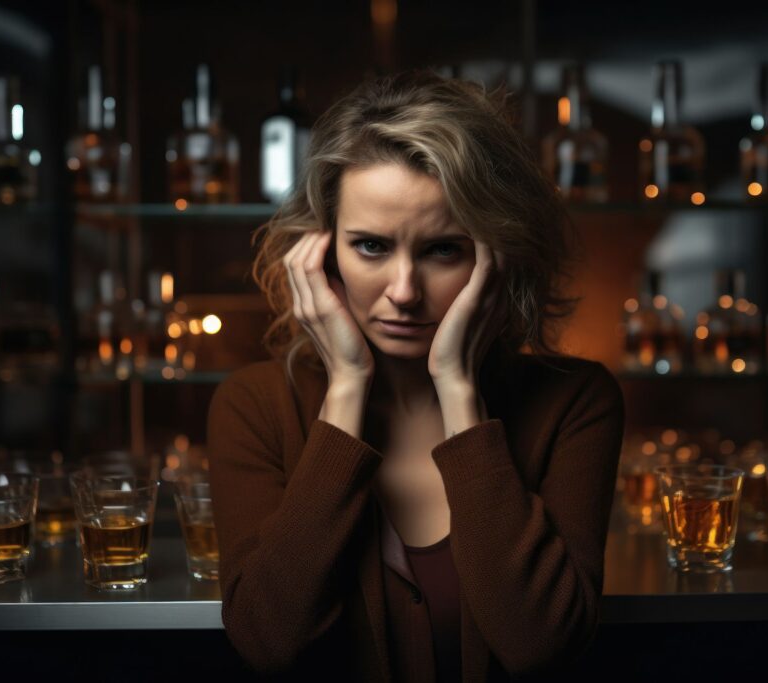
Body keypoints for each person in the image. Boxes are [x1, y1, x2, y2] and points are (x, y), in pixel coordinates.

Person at [206, 69, 625, 682]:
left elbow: (539, 642)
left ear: (497, 255)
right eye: (371, 246)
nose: (403, 293)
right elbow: (270, 638)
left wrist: (459, 388)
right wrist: (347, 387)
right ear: (320, 252)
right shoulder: (255, 406)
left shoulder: (575, 402)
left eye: (443, 250)